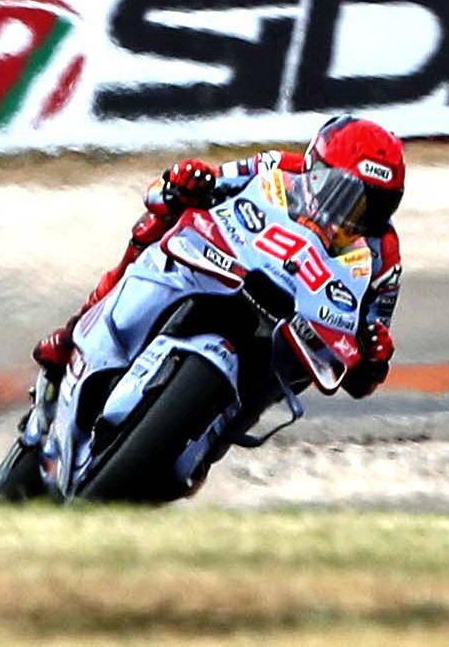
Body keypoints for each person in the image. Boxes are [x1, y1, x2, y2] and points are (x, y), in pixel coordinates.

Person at [20, 114, 406, 437]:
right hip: (228, 269)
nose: (358, 215)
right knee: (162, 215)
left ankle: (207, 441)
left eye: (376, 206)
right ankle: (75, 331)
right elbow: (177, 188)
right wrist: (187, 184)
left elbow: (363, 373)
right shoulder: (276, 167)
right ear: (315, 172)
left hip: (287, 332)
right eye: (347, 194)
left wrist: (374, 357)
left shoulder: (383, 257)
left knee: (294, 375)